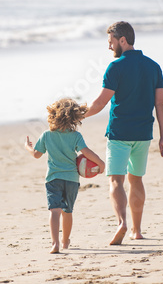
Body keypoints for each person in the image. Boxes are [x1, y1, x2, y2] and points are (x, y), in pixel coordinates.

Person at [84, 21, 163, 245]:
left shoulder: (116, 67)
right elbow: (160, 105)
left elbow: (100, 103)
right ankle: (137, 230)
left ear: (122, 40)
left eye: (111, 42)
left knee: (116, 180)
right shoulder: (153, 66)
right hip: (143, 134)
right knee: (136, 180)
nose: (109, 47)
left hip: (119, 133)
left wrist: (77, 115)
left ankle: (122, 222)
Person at [25, 98, 105, 253]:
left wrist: (28, 147)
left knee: (54, 211)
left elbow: (36, 155)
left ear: (52, 116)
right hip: (71, 180)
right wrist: (101, 163)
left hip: (53, 179)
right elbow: (87, 153)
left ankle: (55, 243)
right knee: (67, 211)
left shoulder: (47, 135)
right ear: (74, 118)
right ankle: (65, 241)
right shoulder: (75, 136)